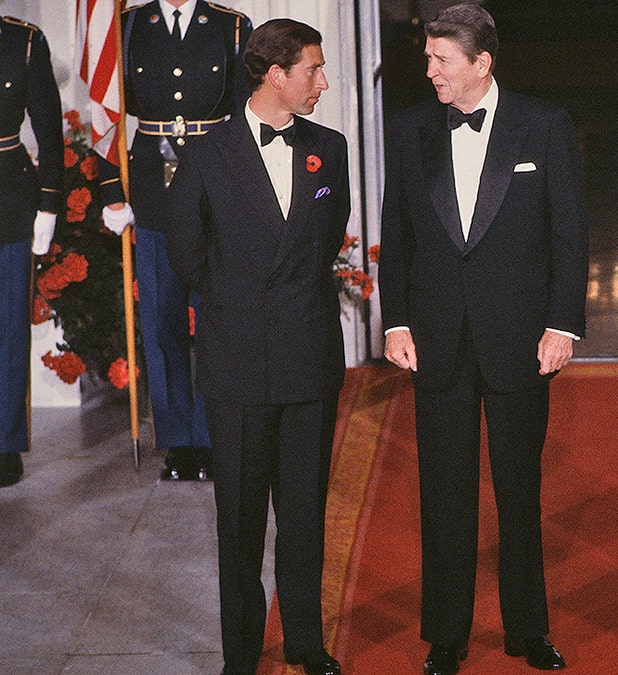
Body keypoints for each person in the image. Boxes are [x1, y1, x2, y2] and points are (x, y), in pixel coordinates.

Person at [377, 5, 587, 674]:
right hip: (435, 338)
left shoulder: (544, 125)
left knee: (519, 489)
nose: (429, 69)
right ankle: (446, 633)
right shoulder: (410, 128)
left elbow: (569, 235)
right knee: (443, 490)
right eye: (430, 57)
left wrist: (564, 323)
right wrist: (397, 319)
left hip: (522, 339)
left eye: (441, 59)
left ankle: (530, 627)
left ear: (481, 64)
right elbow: (398, 236)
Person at [164, 18, 347, 675]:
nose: (322, 82)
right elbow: (185, 253)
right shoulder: (206, 155)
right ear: (276, 74)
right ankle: (241, 652)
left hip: (308, 360)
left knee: (303, 518)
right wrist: (243, 303)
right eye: (312, 71)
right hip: (237, 363)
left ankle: (306, 641)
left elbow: (327, 240)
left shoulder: (331, 147)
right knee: (239, 524)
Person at [98, 0, 252, 482]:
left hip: (214, 182)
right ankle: (179, 441)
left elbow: (245, 113)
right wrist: (110, 190)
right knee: (162, 319)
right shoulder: (125, 27)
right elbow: (107, 113)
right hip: (151, 187)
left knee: (217, 318)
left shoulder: (231, 26)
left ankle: (216, 434)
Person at [0, 16, 62, 487]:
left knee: (8, 325)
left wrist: (49, 206)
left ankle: (4, 443)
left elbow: (49, 128)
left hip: (8, 196)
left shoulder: (23, 40)